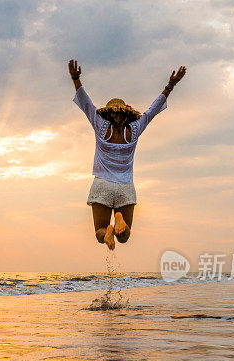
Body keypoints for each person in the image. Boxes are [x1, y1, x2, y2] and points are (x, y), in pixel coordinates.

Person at [69, 59, 186, 250]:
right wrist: (170, 85)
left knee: (99, 233)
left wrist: (75, 78)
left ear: (107, 114)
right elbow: (152, 111)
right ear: (127, 114)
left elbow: (86, 104)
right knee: (124, 237)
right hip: (125, 186)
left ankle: (107, 229)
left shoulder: (101, 126)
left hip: (102, 185)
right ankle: (119, 218)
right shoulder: (134, 129)